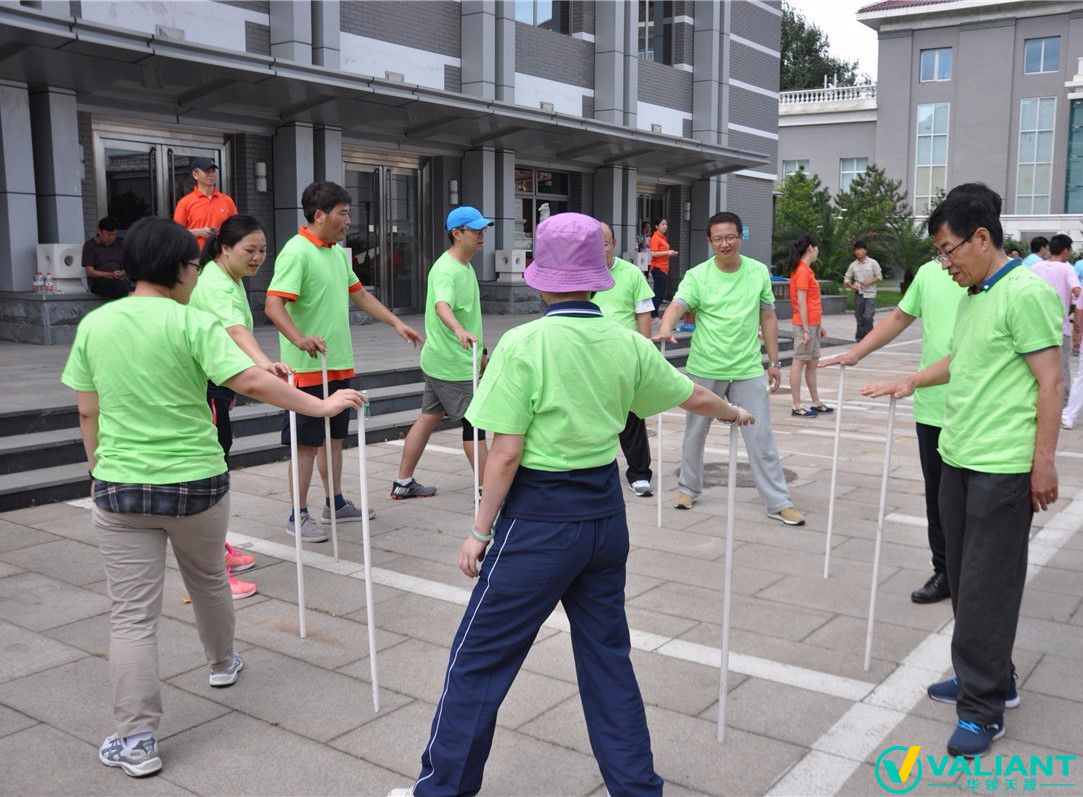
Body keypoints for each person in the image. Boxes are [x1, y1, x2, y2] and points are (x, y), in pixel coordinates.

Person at [406, 213, 752, 797]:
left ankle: (442, 791)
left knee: (478, 659)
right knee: (607, 659)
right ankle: (636, 788)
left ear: (541, 280)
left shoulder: (524, 343)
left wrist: (479, 531)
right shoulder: (625, 341)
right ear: (598, 279)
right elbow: (690, 393)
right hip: (604, 514)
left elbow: (506, 452)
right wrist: (734, 411)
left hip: (538, 519)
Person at [61, 216, 364, 778]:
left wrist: (99, 467)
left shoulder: (95, 326)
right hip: (197, 482)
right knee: (207, 580)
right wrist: (321, 405)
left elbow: (87, 409)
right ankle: (222, 662)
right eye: (193, 266)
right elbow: (249, 380)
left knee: (132, 616)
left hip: (121, 487)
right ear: (178, 269)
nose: (196, 275)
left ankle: (136, 740)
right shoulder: (193, 322)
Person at [861, 184, 1063, 758]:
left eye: (947, 251)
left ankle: (982, 710)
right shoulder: (977, 293)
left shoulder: (1025, 292)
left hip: (1002, 465)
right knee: (961, 576)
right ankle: (988, 677)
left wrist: (1043, 463)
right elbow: (964, 360)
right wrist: (912, 379)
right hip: (959, 456)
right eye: (938, 254)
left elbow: (1051, 380)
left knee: (987, 587)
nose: (943, 263)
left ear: (981, 238)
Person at [265, 181, 423, 541]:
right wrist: (299, 339)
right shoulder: (297, 251)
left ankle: (334, 502)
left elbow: (361, 295)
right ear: (319, 215)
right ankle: (297, 514)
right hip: (305, 370)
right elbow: (273, 305)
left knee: (334, 439)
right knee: (305, 445)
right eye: (343, 213)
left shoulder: (337, 253)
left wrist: (396, 322)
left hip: (338, 363)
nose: (349, 221)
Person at [658, 211, 806, 525]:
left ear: (740, 237)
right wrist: (667, 327)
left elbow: (768, 316)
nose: (725, 244)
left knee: (761, 434)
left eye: (730, 237)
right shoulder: (698, 275)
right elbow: (678, 304)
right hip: (706, 365)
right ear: (709, 241)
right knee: (695, 432)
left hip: (747, 367)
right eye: (718, 239)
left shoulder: (757, 272)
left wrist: (774, 362)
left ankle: (778, 501)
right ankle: (687, 488)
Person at [190, 215, 292, 601]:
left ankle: (217, 547)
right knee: (209, 474)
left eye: (262, 250)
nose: (257, 258)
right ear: (224, 248)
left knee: (217, 469)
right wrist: (263, 364)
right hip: (207, 388)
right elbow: (235, 330)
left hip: (218, 386)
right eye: (249, 250)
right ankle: (212, 566)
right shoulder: (215, 283)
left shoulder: (228, 278)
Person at [392, 206, 490, 500]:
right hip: (452, 364)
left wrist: (481, 353)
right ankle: (487, 490)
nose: (482, 235)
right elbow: (441, 305)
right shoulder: (447, 270)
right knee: (475, 425)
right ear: (457, 233)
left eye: (483, 230)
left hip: (445, 360)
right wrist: (458, 330)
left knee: (428, 418)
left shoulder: (464, 265)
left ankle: (403, 482)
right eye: (475, 230)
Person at [593, 221, 658, 496]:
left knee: (631, 417)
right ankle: (594, 470)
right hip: (588, 359)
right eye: (593, 244)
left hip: (624, 358)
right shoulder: (580, 274)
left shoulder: (631, 274)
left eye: (605, 244)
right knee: (591, 417)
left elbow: (644, 315)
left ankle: (639, 473)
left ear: (615, 244)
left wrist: (645, 353)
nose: (600, 250)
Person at [1029, 233, 1080, 403]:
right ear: (1065, 250)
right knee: (1062, 366)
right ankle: (1063, 402)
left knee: (1036, 365)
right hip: (1060, 326)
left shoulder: (1036, 268)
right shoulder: (1067, 268)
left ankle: (1037, 398)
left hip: (1036, 325)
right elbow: (1077, 291)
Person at [786, 235, 830, 417]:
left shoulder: (805, 270)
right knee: (799, 362)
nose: (817, 252)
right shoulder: (802, 271)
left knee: (812, 363)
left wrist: (818, 326)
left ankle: (815, 401)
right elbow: (802, 302)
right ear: (811, 248)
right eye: (817, 249)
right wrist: (805, 330)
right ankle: (796, 405)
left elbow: (811, 302)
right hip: (804, 325)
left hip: (812, 323)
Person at [172, 156, 238, 249]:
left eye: (213, 171)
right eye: (207, 171)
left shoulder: (227, 200)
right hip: (196, 255)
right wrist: (199, 232)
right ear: (195, 175)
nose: (211, 174)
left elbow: (236, 228)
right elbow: (176, 234)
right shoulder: (185, 203)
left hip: (222, 255)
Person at [82, 217, 130, 300]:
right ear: (99, 232)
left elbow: (126, 266)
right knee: (121, 287)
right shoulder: (90, 245)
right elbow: (90, 272)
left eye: (114, 235)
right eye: (108, 235)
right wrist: (110, 274)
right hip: (98, 281)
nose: (111, 238)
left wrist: (123, 273)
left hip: (119, 280)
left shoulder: (119, 244)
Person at [843, 241, 882, 341]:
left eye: (860, 249)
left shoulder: (873, 263)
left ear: (865, 250)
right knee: (859, 317)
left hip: (870, 294)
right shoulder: (853, 265)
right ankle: (860, 340)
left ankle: (870, 339)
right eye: (856, 250)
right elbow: (846, 279)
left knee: (868, 317)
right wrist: (852, 286)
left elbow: (879, 277)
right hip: (858, 294)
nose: (858, 252)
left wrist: (869, 282)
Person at [648, 217, 678, 317]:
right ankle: (653, 316)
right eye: (663, 224)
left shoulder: (662, 237)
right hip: (658, 268)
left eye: (666, 224)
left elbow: (662, 252)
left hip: (663, 268)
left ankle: (654, 315)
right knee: (658, 293)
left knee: (660, 293)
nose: (665, 226)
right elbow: (653, 253)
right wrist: (667, 252)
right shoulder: (655, 238)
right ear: (657, 226)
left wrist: (670, 253)